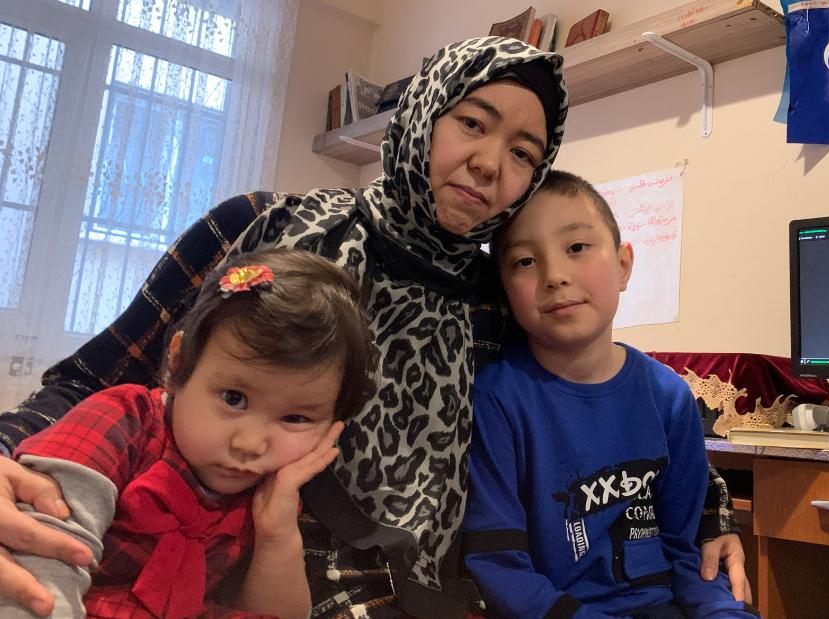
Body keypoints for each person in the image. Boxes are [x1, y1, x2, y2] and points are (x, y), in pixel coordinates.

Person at [0, 38, 747, 618]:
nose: (489, 165)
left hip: (427, 595)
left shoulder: (501, 296)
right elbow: (92, 381)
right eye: (472, 123)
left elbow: (607, 403)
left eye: (523, 153)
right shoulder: (262, 228)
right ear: (424, 112)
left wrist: (712, 516)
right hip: (240, 573)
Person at [0, 248, 371, 618]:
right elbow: (46, 555)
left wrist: (276, 531)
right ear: (178, 363)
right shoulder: (124, 419)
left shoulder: (270, 490)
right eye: (233, 398)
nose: (249, 444)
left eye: (295, 418)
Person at [462, 171, 759, 618]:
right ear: (505, 289)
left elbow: (686, 549)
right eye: (524, 261)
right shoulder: (497, 399)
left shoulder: (669, 396)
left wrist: (721, 612)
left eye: (577, 248)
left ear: (623, 265)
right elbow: (500, 565)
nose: (555, 276)